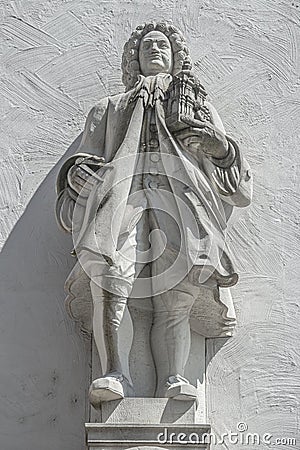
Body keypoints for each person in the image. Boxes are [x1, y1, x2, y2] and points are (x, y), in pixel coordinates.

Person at [56, 21, 252, 406]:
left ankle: (175, 377)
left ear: (176, 57)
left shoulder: (198, 107)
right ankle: (115, 373)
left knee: (177, 294)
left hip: (181, 204)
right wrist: (75, 173)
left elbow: (237, 185)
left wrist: (219, 147)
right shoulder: (108, 109)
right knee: (111, 278)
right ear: (134, 59)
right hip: (122, 200)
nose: (156, 50)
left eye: (163, 45)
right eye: (147, 46)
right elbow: (85, 159)